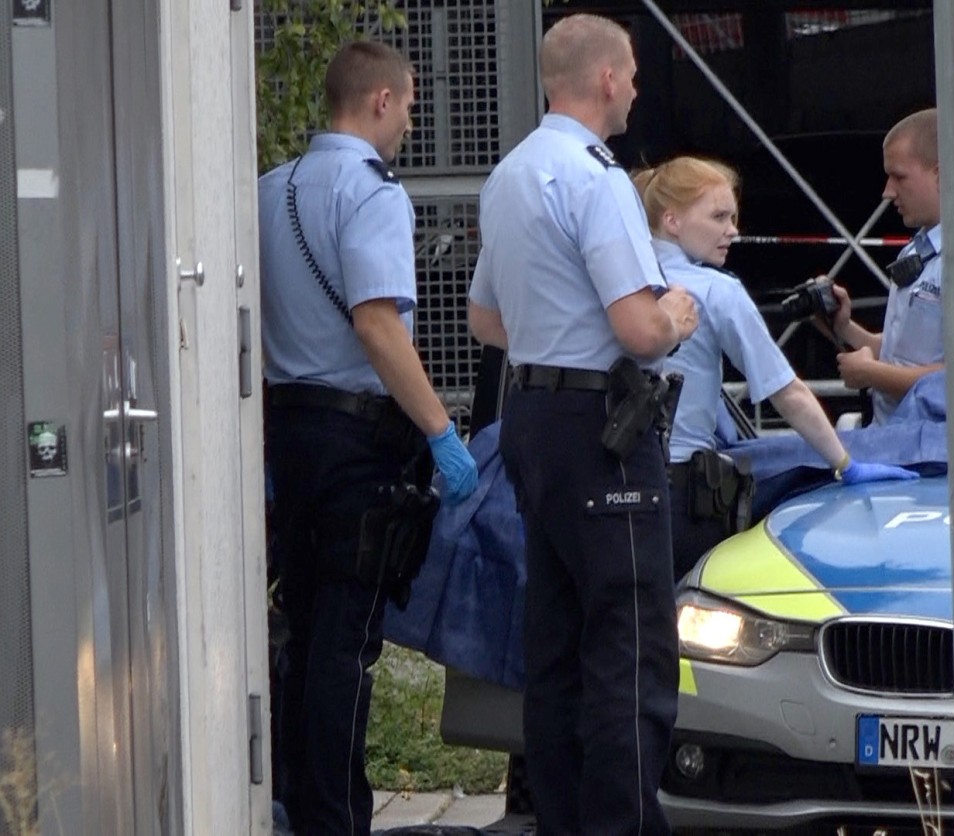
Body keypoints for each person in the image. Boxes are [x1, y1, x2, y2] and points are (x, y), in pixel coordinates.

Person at [466, 14, 698, 835]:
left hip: (531, 415)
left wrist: (553, 325)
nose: (635, 88)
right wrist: (674, 312)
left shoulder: (513, 174)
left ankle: (560, 821)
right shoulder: (596, 179)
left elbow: (484, 319)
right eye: (632, 74)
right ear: (605, 80)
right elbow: (637, 330)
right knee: (628, 646)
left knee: (557, 644)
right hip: (604, 428)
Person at [258, 40, 478, 836]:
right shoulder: (374, 194)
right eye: (413, 104)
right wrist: (442, 433)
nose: (413, 121)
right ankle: (335, 819)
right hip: (356, 444)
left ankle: (285, 801)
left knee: (303, 624)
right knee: (345, 643)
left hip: (290, 430)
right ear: (380, 100)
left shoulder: (270, 189)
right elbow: (378, 325)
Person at [633, 156, 878, 578]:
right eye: (719, 216)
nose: (734, 230)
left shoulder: (616, 280)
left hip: (607, 482)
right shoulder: (715, 290)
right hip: (675, 489)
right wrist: (845, 462)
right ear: (672, 220)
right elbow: (788, 392)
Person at [833, 107, 954, 423]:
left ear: (941, 175)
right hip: (906, 447)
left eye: (899, 177)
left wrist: (871, 374)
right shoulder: (919, 251)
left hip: (945, 459)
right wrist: (845, 328)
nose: (887, 191)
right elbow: (909, 356)